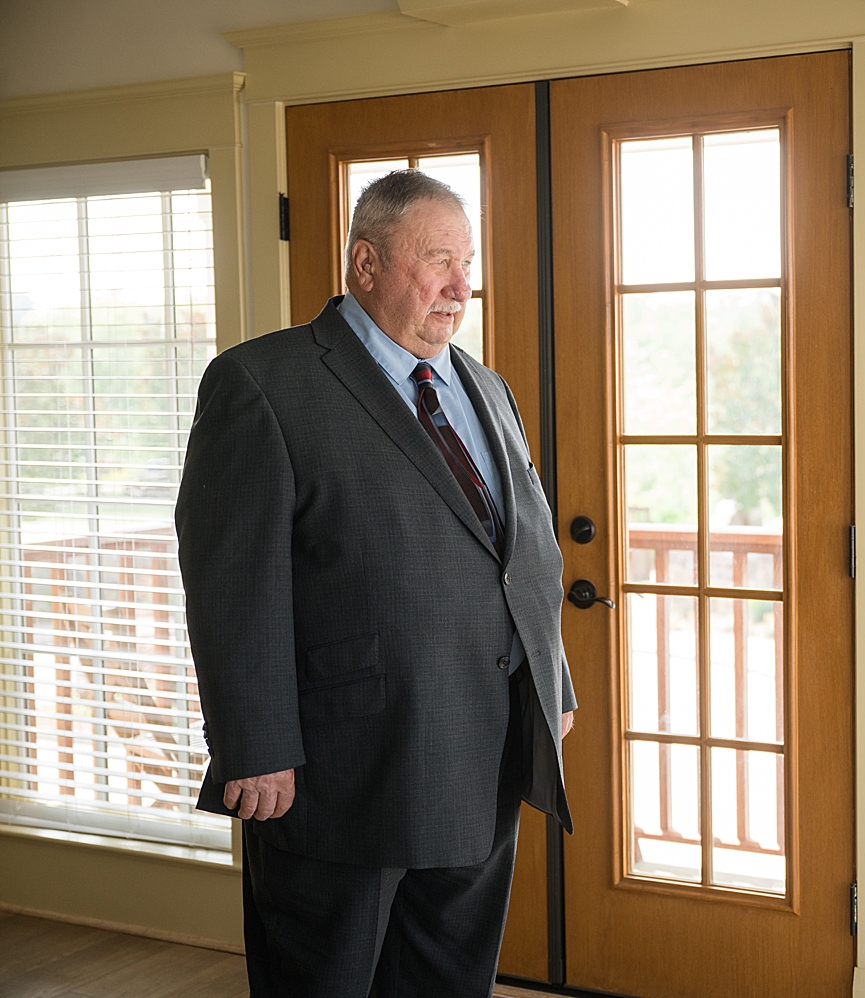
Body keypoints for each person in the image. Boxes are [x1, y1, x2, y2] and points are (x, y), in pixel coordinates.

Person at [176, 169, 576, 997]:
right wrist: (255, 745)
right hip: (338, 773)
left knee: (448, 982)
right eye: (438, 261)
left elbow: (524, 546)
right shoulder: (261, 384)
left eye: (467, 262)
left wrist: (551, 683)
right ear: (365, 263)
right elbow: (230, 583)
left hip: (480, 756)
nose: (462, 286)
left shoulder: (486, 388)